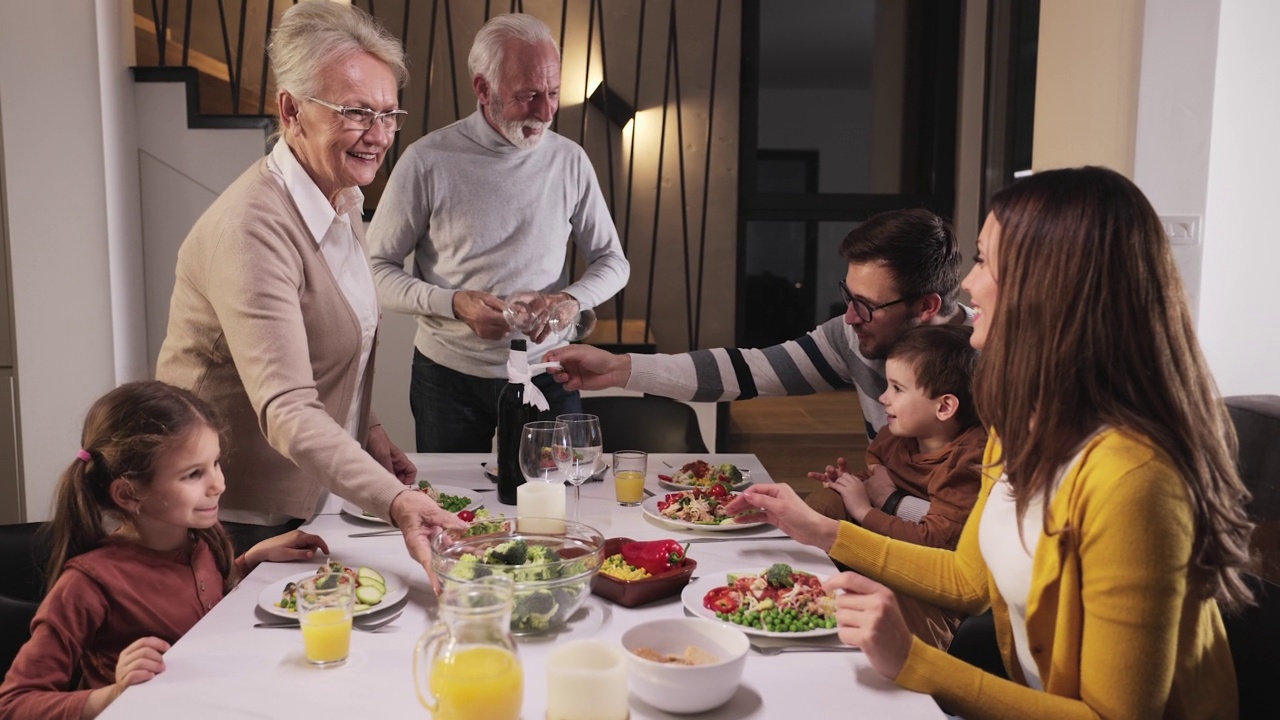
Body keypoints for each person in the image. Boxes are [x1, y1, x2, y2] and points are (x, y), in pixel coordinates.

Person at [726, 166, 1254, 718]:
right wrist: (824, 531)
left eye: (984, 261)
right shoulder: (1021, 423)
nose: (968, 284)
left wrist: (912, 659)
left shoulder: (1134, 481)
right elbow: (968, 579)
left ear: (1051, 290)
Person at [155, 0, 463, 571]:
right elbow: (289, 407)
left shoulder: (339, 198)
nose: (379, 135)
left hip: (306, 499)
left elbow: (338, 338)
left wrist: (366, 428)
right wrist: (394, 500)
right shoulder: (254, 227)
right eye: (356, 112)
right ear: (292, 109)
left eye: (390, 115)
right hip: (230, 513)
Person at [548, 208, 970, 520]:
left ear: (927, 306)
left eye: (867, 305)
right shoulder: (853, 336)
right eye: (848, 295)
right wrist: (619, 369)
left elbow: (983, 521)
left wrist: (886, 500)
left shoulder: (988, 365)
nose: (849, 317)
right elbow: (746, 371)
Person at [367, 13, 630, 453]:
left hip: (549, 370)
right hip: (446, 377)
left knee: (551, 506)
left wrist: (571, 300)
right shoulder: (427, 160)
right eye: (527, 96)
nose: (546, 113)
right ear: (483, 89)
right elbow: (375, 271)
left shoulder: (570, 161)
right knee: (450, 512)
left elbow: (613, 261)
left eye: (552, 93)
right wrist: (454, 304)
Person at [0, 382, 329, 719]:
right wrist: (111, 695)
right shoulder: (87, 584)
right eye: (193, 474)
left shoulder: (201, 537)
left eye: (215, 463)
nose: (219, 484)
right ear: (128, 495)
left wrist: (250, 561)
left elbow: (201, 595)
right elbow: (14, 704)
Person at [807, 323, 986, 650]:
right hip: (882, 556)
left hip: (928, 591)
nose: (883, 397)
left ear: (944, 407)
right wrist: (850, 484)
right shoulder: (897, 437)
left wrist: (866, 508)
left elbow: (935, 543)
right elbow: (877, 478)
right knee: (824, 502)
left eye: (897, 389)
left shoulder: (969, 460)